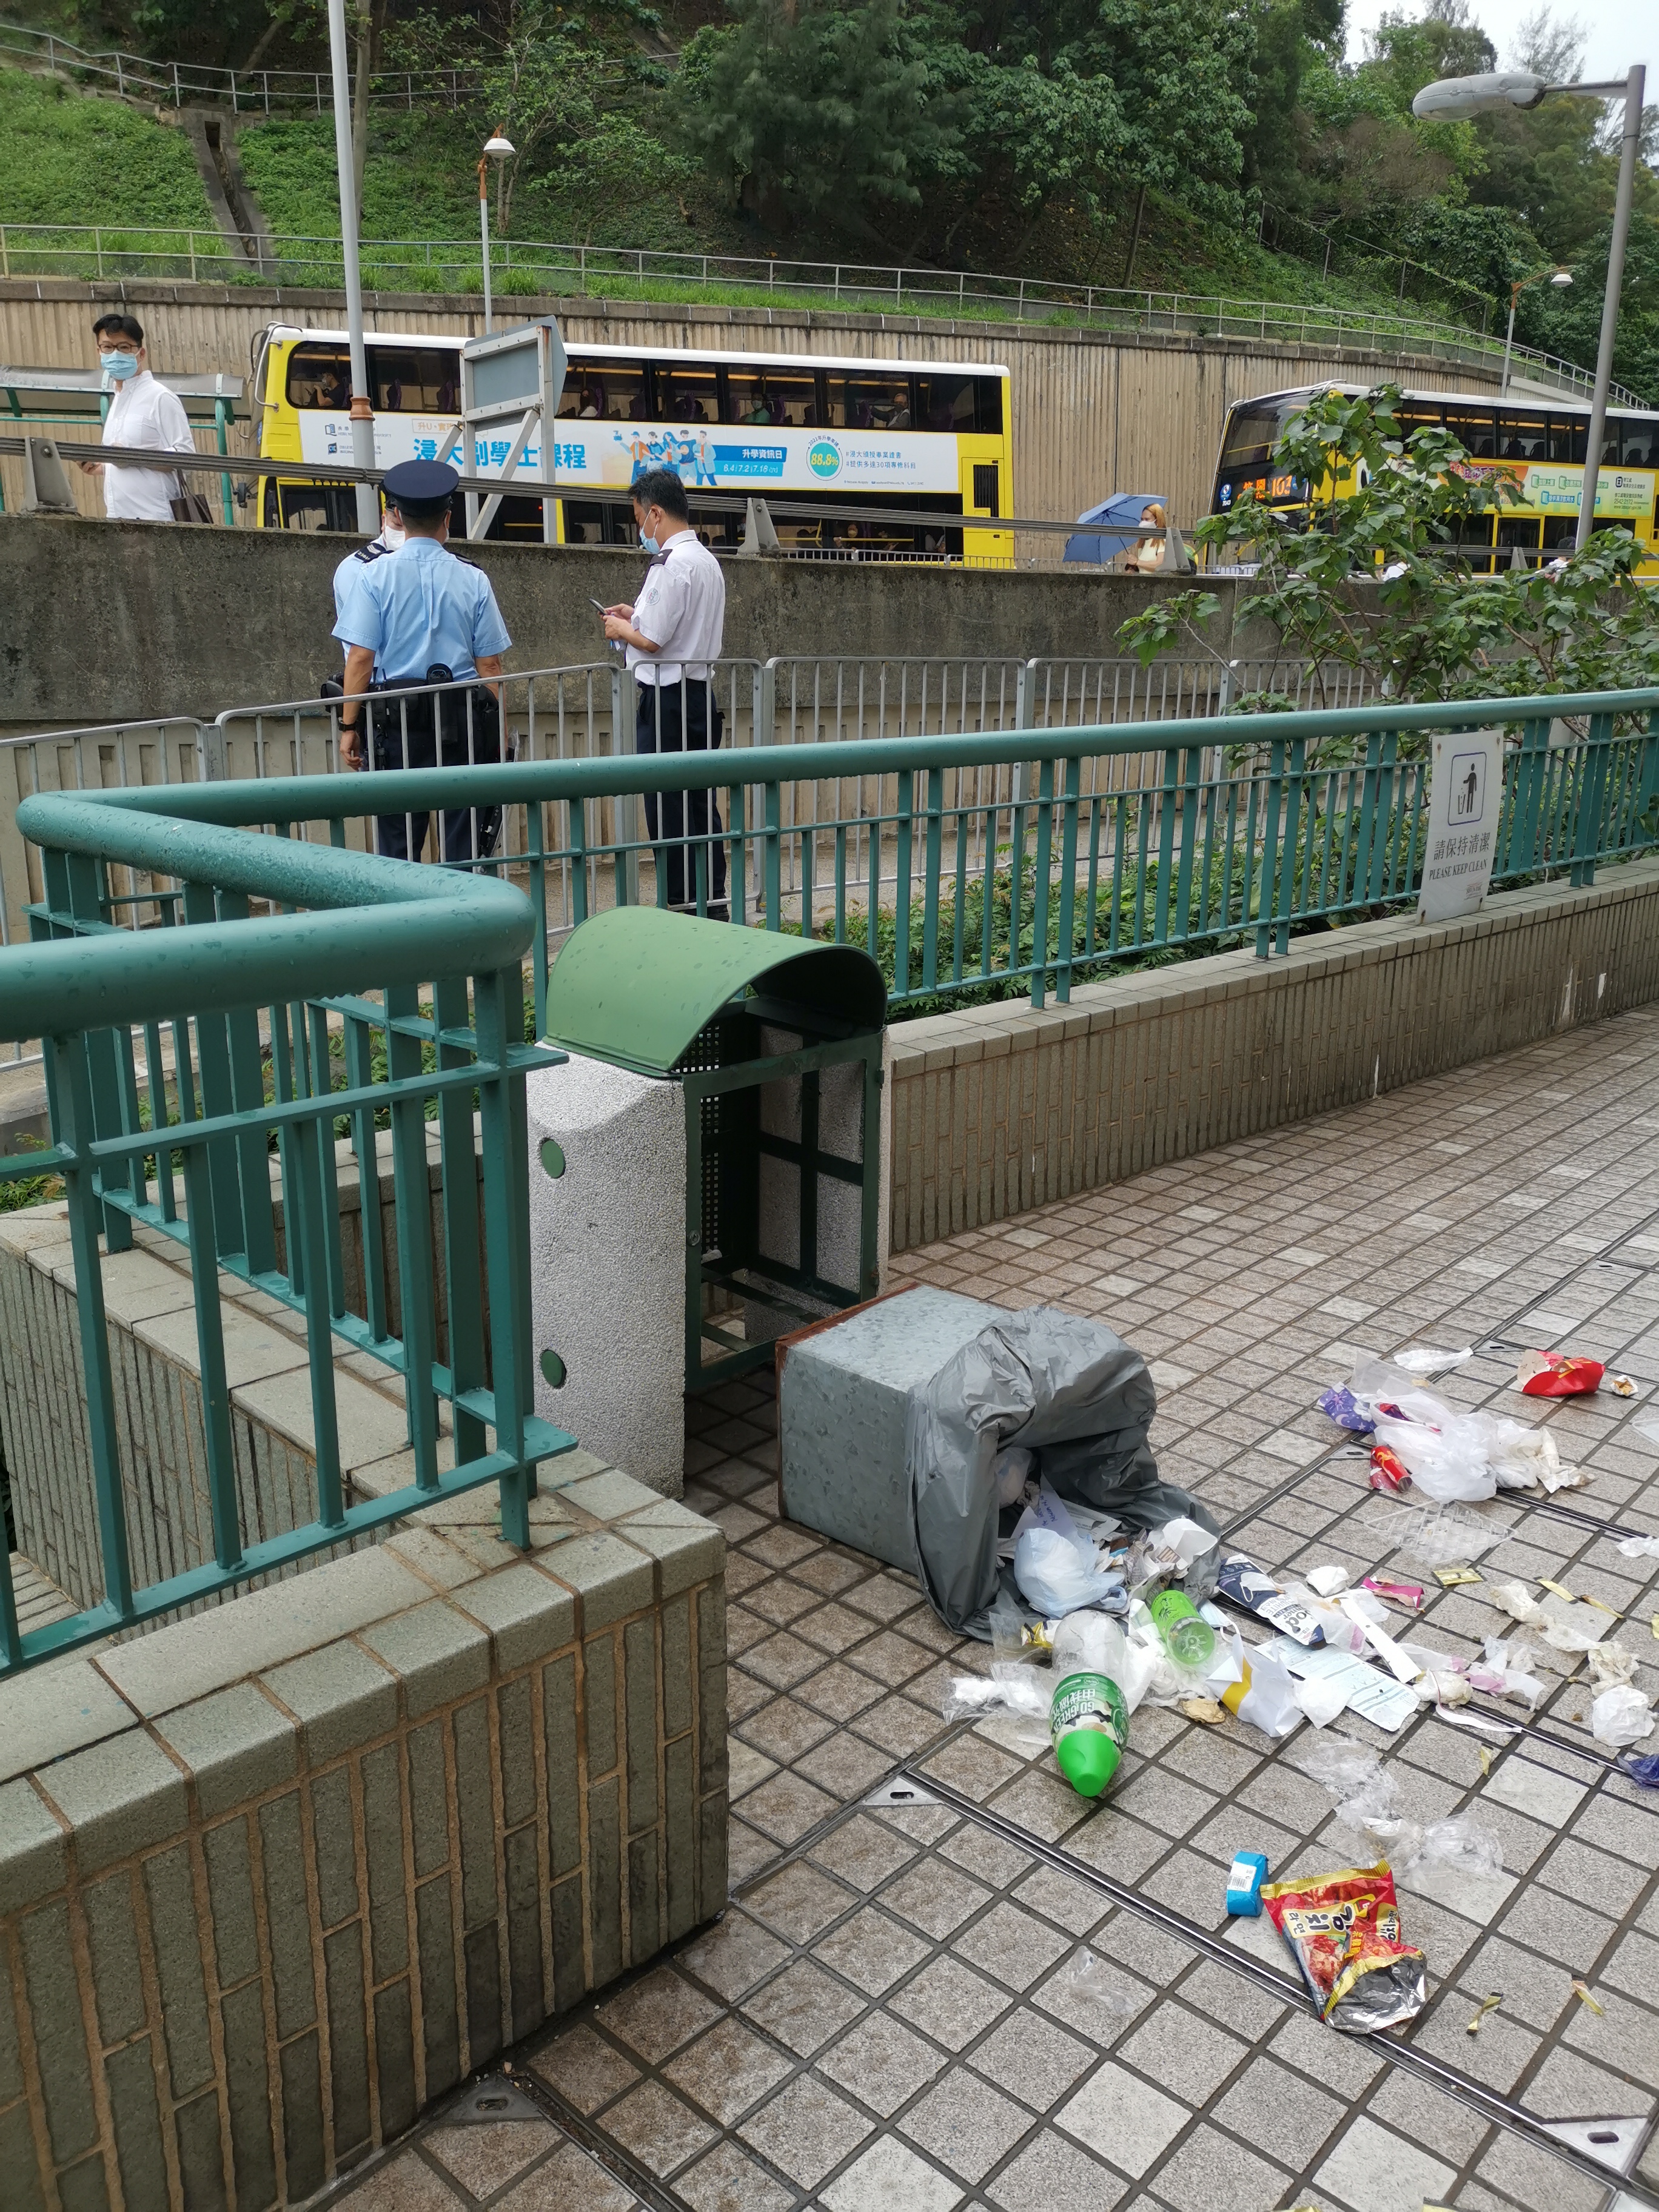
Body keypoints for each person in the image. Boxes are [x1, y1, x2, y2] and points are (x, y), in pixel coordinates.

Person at [333, 458, 511, 867]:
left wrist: (348, 727)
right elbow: (490, 666)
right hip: (463, 721)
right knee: (465, 835)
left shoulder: (372, 576)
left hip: (395, 723)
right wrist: (497, 733)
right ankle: (463, 907)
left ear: (397, 515)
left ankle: (404, 909)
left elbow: (360, 659)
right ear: (447, 518)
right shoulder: (474, 578)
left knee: (397, 842)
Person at [601, 466, 728, 917]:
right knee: (700, 804)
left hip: (667, 700)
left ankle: (679, 904)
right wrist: (634, 615)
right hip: (699, 697)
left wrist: (620, 627)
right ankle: (713, 901)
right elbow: (674, 625)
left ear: (655, 513)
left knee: (666, 806)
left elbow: (652, 640)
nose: (641, 530)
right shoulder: (707, 561)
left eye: (640, 519)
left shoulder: (670, 563)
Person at [79, 312, 198, 523]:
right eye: (107, 347)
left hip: (156, 519)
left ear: (141, 353)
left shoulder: (160, 397)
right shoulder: (118, 399)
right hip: (118, 519)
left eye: (124, 347)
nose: (115, 354)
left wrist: (132, 458)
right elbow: (124, 463)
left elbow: (186, 456)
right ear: (99, 351)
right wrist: (102, 467)